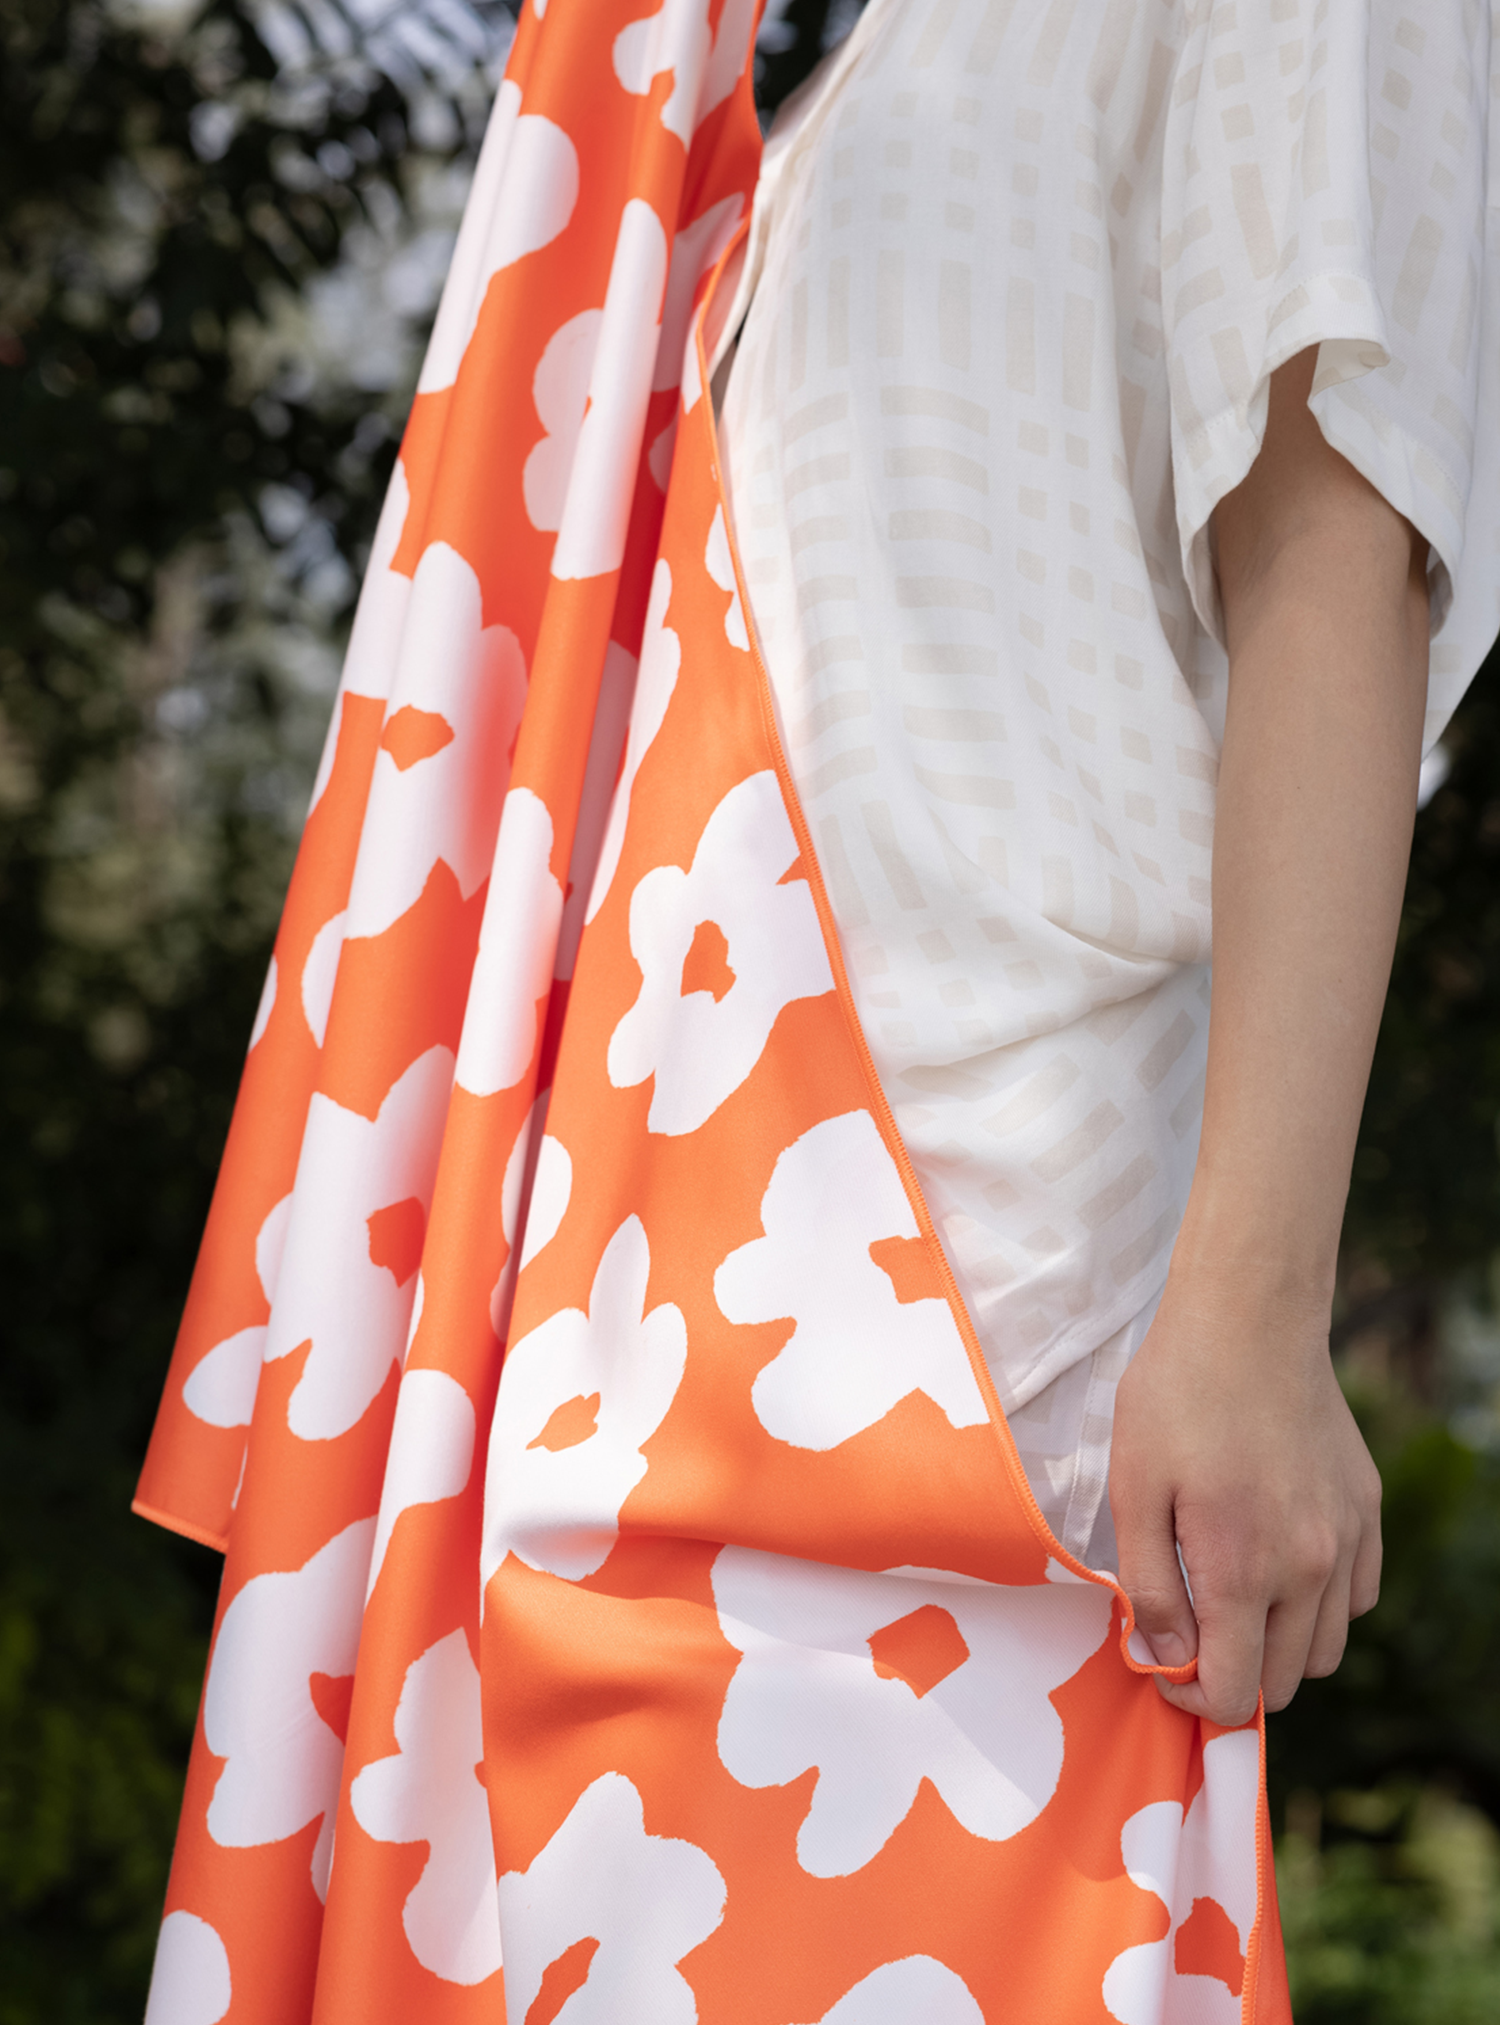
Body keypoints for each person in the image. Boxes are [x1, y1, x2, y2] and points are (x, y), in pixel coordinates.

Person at [135, 4, 1498, 2021]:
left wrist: (1253, 1308)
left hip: (954, 1377)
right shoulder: (823, 70)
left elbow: (1337, 539)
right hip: (625, 1346)